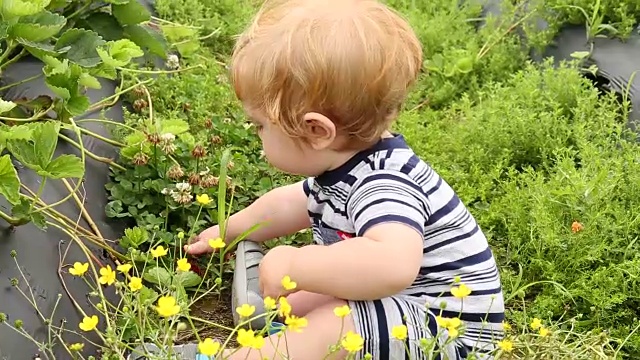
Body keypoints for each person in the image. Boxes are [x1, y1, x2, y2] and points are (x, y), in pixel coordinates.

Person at [184, 0, 506, 359]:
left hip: (444, 333)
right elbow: (289, 204)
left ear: (316, 130)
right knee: (310, 298)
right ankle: (281, 334)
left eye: (260, 126)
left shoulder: (385, 183)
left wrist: (295, 265)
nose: (256, 134)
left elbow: (392, 264)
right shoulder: (345, 167)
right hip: (403, 309)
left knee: (334, 325)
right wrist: (230, 231)